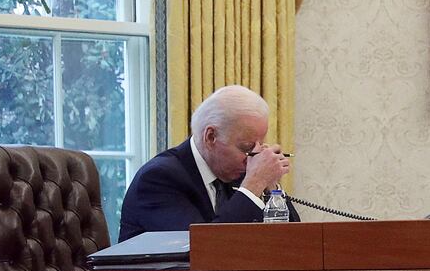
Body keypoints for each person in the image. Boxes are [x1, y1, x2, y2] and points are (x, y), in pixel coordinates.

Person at [119, 85, 299, 241]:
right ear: (211, 136)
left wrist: (270, 187)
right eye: (246, 147)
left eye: (260, 145)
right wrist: (254, 183)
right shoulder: (158, 179)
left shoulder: (237, 173)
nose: (254, 156)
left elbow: (295, 241)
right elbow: (204, 247)